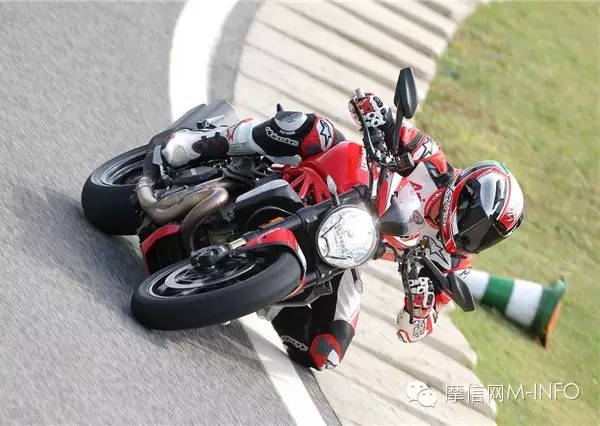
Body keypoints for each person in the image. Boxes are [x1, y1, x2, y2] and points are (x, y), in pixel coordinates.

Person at [161, 94, 524, 370]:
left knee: (326, 351)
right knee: (313, 130)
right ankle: (204, 144)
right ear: (466, 195)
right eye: (476, 221)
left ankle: (258, 293)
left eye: (486, 236)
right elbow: (380, 118)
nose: (473, 235)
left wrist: (420, 303)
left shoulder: (454, 261)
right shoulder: (431, 161)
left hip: (348, 245)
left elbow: (412, 330)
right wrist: (374, 113)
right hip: (333, 183)